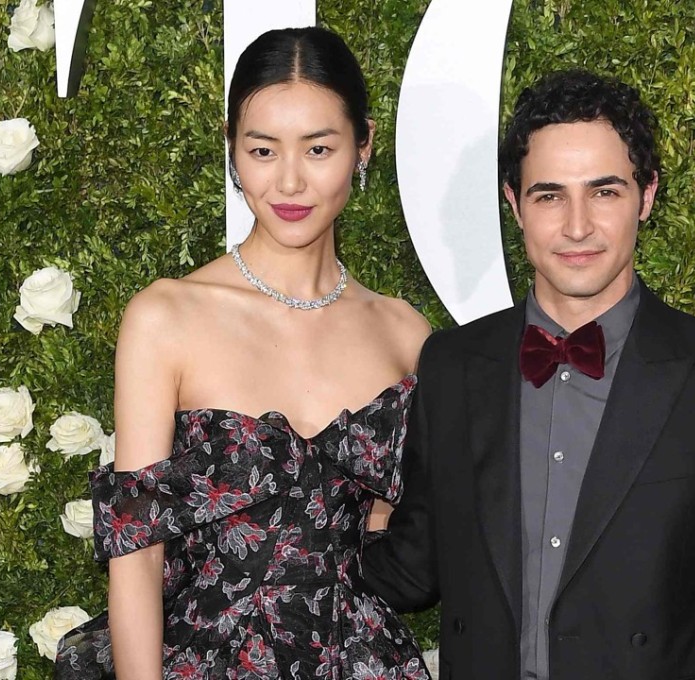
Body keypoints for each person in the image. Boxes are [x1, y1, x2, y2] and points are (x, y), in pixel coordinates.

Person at [362, 69, 695, 679]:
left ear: (646, 196)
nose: (578, 225)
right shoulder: (453, 364)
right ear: (514, 205)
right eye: (549, 195)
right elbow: (416, 568)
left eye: (605, 191)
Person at [56, 26, 432, 679]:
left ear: (364, 144)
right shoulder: (167, 316)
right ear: (232, 151)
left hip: (359, 661)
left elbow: (398, 535)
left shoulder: (403, 333)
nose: (289, 180)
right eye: (262, 149)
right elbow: (135, 555)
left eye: (319, 148)